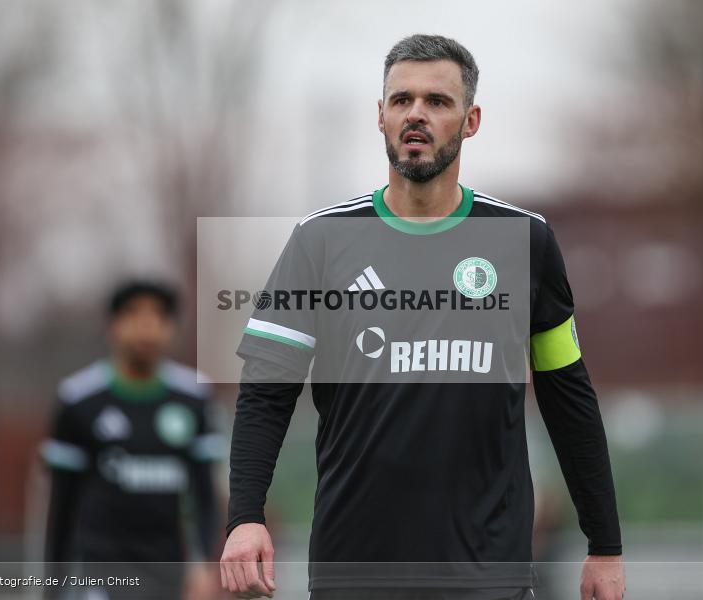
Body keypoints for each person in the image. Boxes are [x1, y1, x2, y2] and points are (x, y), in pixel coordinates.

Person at [221, 34, 625, 600]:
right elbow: (266, 388)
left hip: (490, 573)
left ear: (471, 120)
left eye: (437, 101)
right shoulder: (320, 241)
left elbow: (567, 394)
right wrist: (245, 516)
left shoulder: (524, 242)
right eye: (401, 99)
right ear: (380, 117)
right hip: (353, 568)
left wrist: (604, 543)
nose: (416, 113)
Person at [42, 280, 226, 600]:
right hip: (100, 569)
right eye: (134, 316)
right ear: (113, 326)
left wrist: (205, 566)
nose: (147, 328)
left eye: (158, 317)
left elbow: (205, 494)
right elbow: (61, 504)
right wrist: (53, 586)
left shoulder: (194, 398)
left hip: (170, 571)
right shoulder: (79, 400)